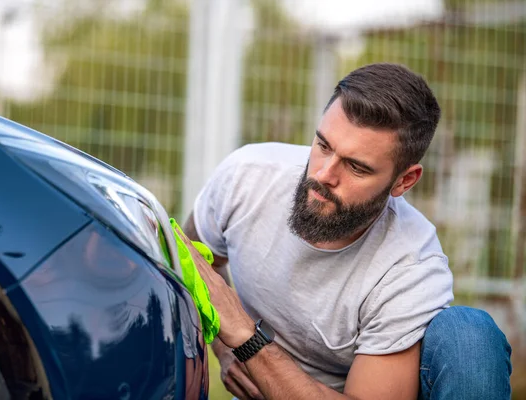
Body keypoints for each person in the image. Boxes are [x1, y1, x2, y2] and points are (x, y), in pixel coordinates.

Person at [176, 62, 513, 400]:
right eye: (323, 145)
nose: (324, 175)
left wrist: (248, 341)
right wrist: (224, 348)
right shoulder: (248, 177)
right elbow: (192, 255)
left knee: (469, 335)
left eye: (356, 166)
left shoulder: (411, 268)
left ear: (404, 181)